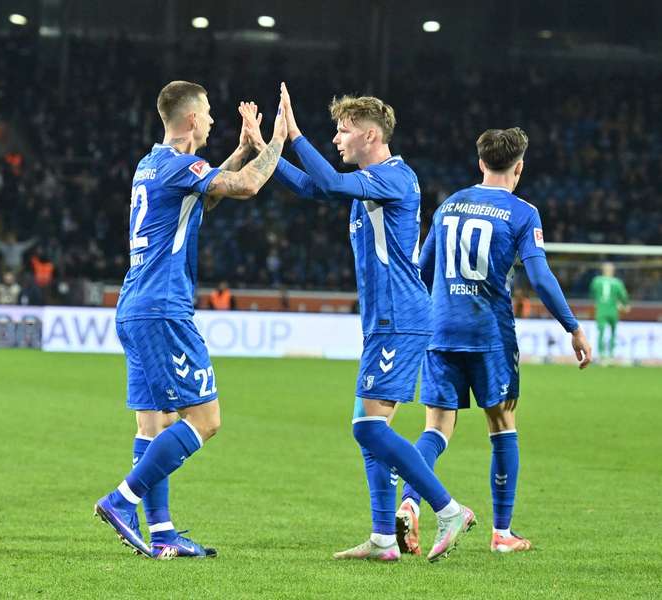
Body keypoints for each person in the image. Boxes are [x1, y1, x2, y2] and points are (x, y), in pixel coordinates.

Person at [269, 83, 475, 562]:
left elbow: (331, 183)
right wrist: (266, 151)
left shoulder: (395, 178)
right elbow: (313, 186)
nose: (336, 140)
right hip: (384, 320)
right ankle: (384, 539)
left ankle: (448, 508)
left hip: (401, 318)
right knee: (371, 428)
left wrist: (295, 135)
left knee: (366, 429)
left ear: (369, 134)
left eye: (342, 132)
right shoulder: (370, 184)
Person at [94, 81, 288, 559]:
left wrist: (241, 149)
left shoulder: (151, 164)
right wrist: (278, 138)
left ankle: (161, 535)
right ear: (188, 120)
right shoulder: (178, 166)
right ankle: (123, 499)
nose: (212, 121)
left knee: (154, 423)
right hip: (163, 308)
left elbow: (206, 193)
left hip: (136, 304)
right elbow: (245, 187)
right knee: (205, 419)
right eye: (207, 114)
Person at [396, 128, 592, 555]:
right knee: (503, 427)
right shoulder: (522, 213)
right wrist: (573, 327)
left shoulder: (449, 205)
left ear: (480, 163)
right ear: (518, 167)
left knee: (436, 429)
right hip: (490, 336)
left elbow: (421, 269)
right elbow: (538, 276)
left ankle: (410, 501)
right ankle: (502, 533)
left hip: (440, 331)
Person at [589, 262, 630, 362]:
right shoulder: (617, 282)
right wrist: (625, 305)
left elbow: (592, 293)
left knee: (602, 332)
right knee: (612, 332)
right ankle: (610, 355)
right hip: (612, 309)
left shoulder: (596, 281)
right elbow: (624, 296)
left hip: (601, 309)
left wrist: (597, 301)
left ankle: (602, 355)